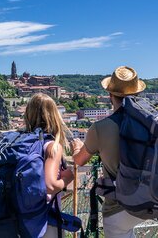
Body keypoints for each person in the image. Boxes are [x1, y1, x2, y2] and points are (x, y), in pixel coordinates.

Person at [71, 66, 146, 238]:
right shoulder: (151, 125)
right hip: (150, 200)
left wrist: (76, 146)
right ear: (136, 95)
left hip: (119, 207)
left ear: (110, 96)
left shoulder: (100, 128)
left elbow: (79, 160)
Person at [24, 93, 74, 237]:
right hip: (44, 221)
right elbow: (50, 186)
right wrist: (67, 178)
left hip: (19, 219)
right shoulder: (52, 146)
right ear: (54, 116)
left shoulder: (20, 142)